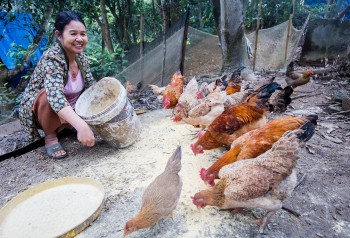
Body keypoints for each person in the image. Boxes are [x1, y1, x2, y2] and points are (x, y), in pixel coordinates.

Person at [19, 11, 96, 159]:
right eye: (73, 34)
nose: (79, 39)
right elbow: (55, 98)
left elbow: (90, 86)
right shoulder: (52, 58)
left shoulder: (82, 58)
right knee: (47, 95)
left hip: (71, 107)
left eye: (83, 34)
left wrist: (103, 84)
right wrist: (82, 126)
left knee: (91, 90)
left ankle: (70, 124)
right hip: (43, 111)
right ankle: (50, 136)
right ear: (59, 35)